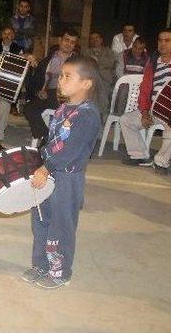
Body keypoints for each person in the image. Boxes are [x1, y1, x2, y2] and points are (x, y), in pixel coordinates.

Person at [23, 56, 101, 289]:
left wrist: (45, 168)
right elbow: (52, 141)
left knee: (61, 225)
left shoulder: (87, 115)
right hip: (50, 173)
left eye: (68, 76)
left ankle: (60, 271)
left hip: (67, 178)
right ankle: (42, 264)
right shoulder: (63, 109)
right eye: (61, 75)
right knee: (41, 219)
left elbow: (71, 149)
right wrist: (38, 161)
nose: (61, 80)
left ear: (86, 83)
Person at [119, 28, 171, 174]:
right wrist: (144, 112)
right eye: (160, 40)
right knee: (126, 120)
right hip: (154, 110)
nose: (162, 44)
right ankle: (140, 156)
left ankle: (161, 162)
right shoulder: (153, 64)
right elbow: (144, 92)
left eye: (167, 40)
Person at [24, 28, 79, 146]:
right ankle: (46, 137)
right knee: (29, 108)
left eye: (72, 42)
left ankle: (48, 141)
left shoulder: (77, 62)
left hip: (67, 97)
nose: (68, 44)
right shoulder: (47, 60)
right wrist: (38, 92)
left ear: (75, 45)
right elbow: (36, 80)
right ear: (60, 40)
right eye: (66, 40)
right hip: (48, 95)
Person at [82, 31, 117, 119]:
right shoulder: (86, 52)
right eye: (92, 39)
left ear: (101, 40)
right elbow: (86, 65)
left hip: (105, 79)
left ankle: (103, 113)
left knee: (103, 89)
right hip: (91, 79)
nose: (94, 40)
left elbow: (111, 63)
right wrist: (100, 64)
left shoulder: (108, 51)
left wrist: (96, 61)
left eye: (96, 38)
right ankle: (91, 115)